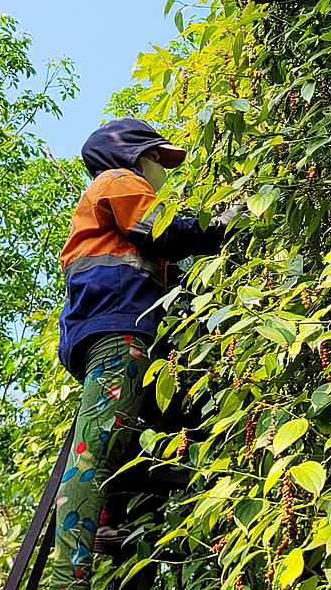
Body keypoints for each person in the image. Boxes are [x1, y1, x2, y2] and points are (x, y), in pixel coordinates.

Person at [50, 117, 240, 590]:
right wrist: (229, 219)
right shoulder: (118, 182)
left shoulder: (108, 202)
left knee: (128, 447)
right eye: (160, 159)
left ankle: (113, 524)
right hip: (121, 332)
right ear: (139, 157)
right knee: (92, 451)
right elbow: (163, 230)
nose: (163, 174)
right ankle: (65, 577)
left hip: (124, 331)